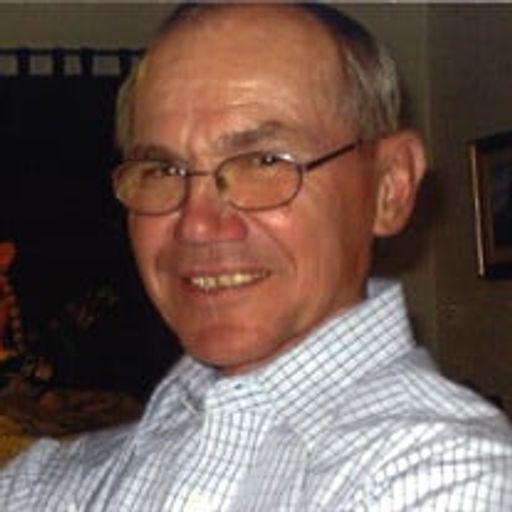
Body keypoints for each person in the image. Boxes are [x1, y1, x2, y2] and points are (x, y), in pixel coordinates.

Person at [1, 3, 512, 510]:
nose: (196, 224)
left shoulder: (449, 473)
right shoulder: (49, 480)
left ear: (389, 186)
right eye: (161, 170)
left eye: (264, 161)